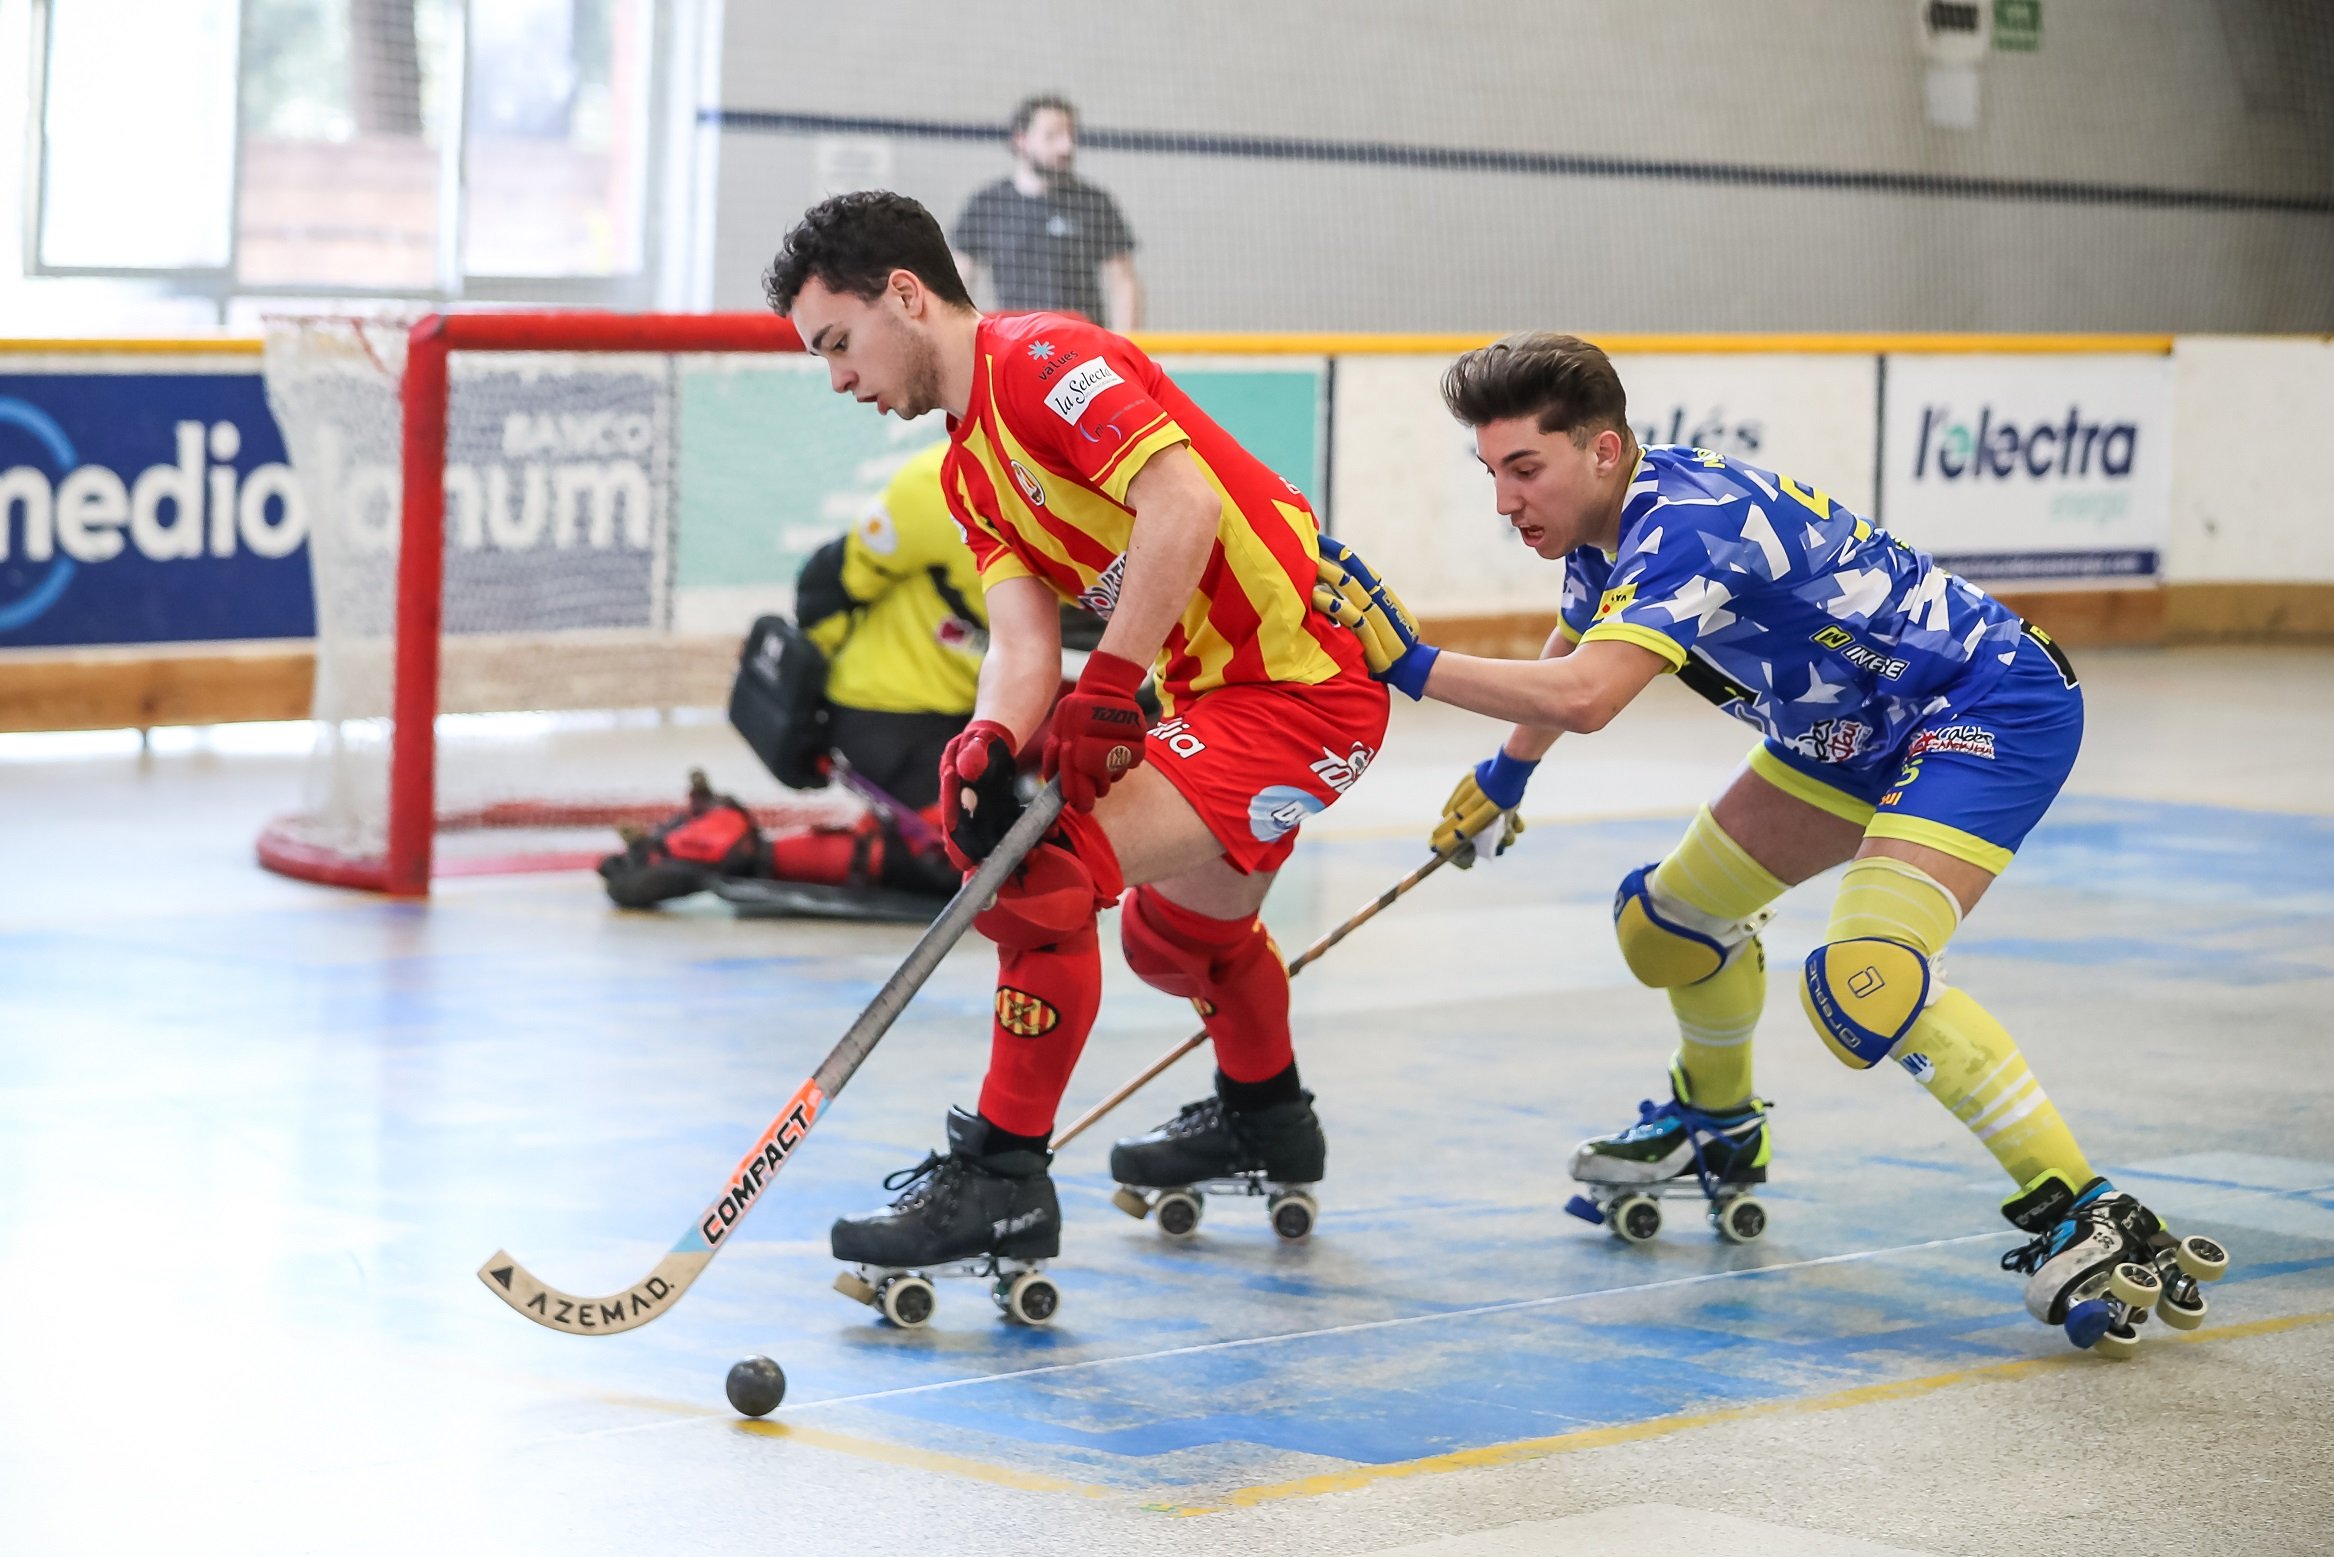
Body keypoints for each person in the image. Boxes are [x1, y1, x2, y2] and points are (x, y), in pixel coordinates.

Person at [1314, 332, 2227, 1355]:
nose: (1504, 501)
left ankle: (2088, 1207)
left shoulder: (1692, 525)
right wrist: (1506, 774)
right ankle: (1719, 1128)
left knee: (1866, 978)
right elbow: (1583, 633)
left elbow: (1589, 695)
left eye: (1523, 469)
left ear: (1603, 450)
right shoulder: (1602, 523)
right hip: (1841, 738)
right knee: (1667, 923)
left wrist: (1410, 664)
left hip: (1982, 707)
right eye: (1491, 473)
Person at [764, 190, 1386, 1301]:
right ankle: (1267, 1121)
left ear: (905, 295)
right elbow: (1021, 641)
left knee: (1041, 877)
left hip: (1299, 691)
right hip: (1214, 695)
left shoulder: (1048, 360)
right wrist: (986, 738)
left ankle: (1001, 1177)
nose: (839, 378)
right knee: (1175, 942)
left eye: (838, 343)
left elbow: (1183, 506)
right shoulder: (967, 470)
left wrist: (1109, 687)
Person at [597, 443, 976, 911]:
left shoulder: (1054, 499)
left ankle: (896, 830)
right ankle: (730, 846)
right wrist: (807, 709)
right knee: (974, 861)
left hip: (982, 709)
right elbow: (826, 588)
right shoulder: (943, 483)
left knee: (1021, 850)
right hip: (887, 708)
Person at [952, 94, 1142, 330]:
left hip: (1081, 341)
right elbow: (959, 280)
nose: (1066, 146)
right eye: (1052, 136)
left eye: (1071, 135)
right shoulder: (987, 204)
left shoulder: (1094, 202)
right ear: (1021, 139)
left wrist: (1125, 344)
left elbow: (1123, 281)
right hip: (1015, 340)